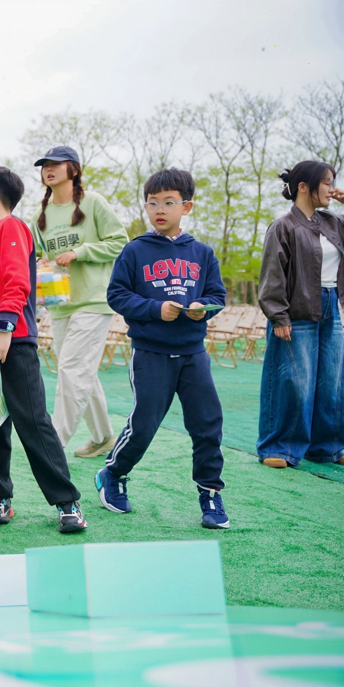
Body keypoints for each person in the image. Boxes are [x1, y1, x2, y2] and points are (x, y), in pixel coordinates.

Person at [0, 167, 88, 535]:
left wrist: (6, 328)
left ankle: (67, 502)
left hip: (11, 340)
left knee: (31, 420)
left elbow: (19, 281)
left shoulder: (12, 228)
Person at [97, 168, 230, 529]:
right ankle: (113, 474)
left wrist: (203, 306)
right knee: (144, 423)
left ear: (186, 207)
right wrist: (156, 309)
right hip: (151, 352)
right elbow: (117, 295)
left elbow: (218, 296)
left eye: (168, 202)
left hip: (193, 353)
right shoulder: (135, 250)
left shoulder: (202, 253)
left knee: (207, 423)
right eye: (152, 203)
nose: (159, 209)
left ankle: (211, 493)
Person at [32, 146, 129, 458]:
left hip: (93, 302)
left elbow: (119, 241)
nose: (49, 169)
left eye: (55, 164)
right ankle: (103, 437)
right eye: (44, 165)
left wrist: (80, 252)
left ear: (72, 168)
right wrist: (40, 266)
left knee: (72, 370)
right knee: (79, 371)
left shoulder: (93, 202)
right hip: (59, 304)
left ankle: (54, 443)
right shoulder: (41, 215)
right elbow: (36, 256)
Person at [257, 161, 344, 469]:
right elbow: (272, 275)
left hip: (331, 306)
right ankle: (278, 447)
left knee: (332, 381)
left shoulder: (334, 223)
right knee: (294, 381)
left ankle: (328, 448)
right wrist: (279, 317)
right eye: (328, 182)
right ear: (304, 186)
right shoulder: (283, 226)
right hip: (296, 311)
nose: (332, 189)